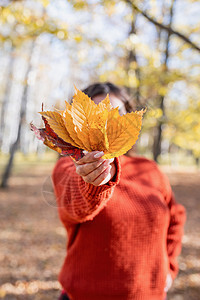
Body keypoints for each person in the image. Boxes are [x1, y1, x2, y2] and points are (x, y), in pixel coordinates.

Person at [52, 82, 186, 300]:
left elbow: (176, 217)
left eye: (116, 114)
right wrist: (95, 179)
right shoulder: (69, 168)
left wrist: (169, 268)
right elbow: (78, 202)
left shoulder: (149, 169)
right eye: (97, 115)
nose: (106, 123)